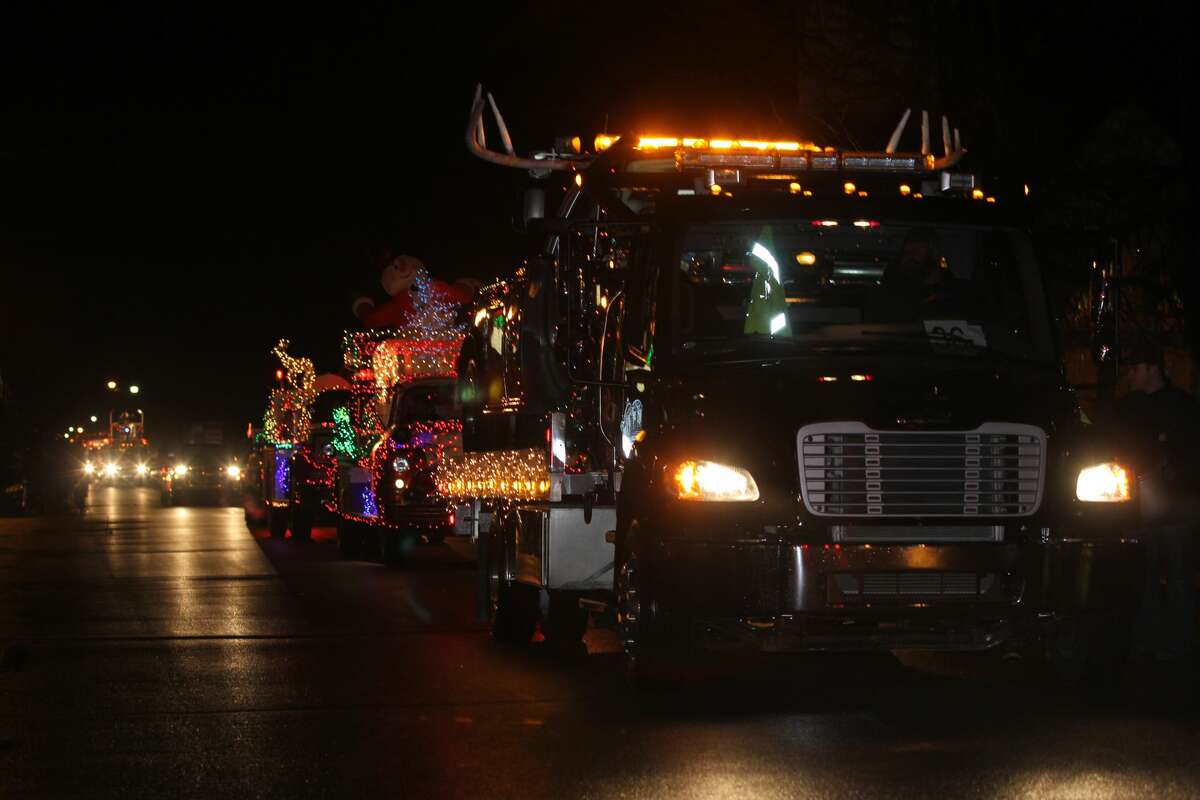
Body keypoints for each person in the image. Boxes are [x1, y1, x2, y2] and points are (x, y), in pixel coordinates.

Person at [1116, 339, 1199, 690]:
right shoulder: (1128, 408)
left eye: (1135, 368)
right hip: (1139, 504)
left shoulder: (1181, 407)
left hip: (1175, 504)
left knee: (1176, 574)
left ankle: (1177, 647)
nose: (1129, 375)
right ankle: (1148, 644)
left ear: (1152, 368)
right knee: (1145, 576)